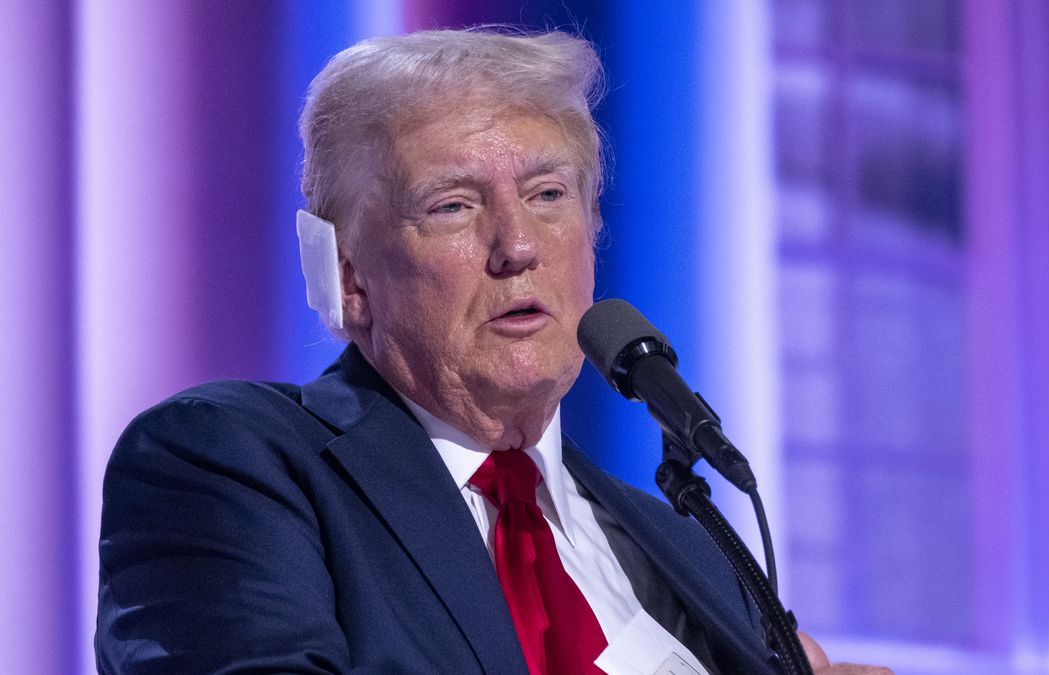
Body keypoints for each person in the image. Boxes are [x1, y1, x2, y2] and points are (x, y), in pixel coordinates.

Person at [96, 29, 890, 674]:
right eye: (452, 205)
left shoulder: (690, 544)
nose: (517, 245)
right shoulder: (231, 462)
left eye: (548, 196)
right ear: (349, 274)